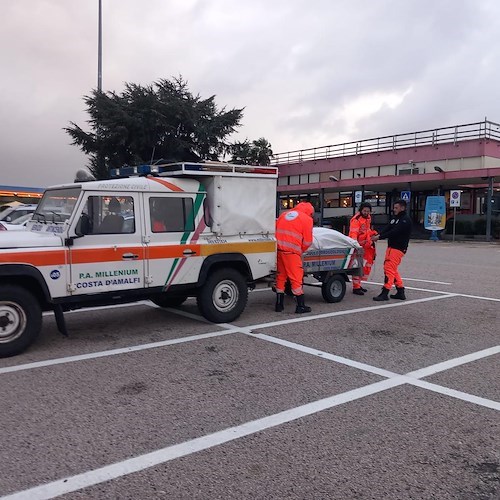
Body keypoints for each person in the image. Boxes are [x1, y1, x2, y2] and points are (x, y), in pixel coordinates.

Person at [275, 201, 314, 313]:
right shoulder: (307, 219)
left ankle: (279, 304)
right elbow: (307, 241)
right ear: (309, 212)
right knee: (296, 279)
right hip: (292, 253)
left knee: (281, 276)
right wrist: (300, 250)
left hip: (279, 250)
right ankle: (300, 306)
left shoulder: (284, 215)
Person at [371, 199, 412, 301]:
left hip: (397, 248)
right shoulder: (395, 218)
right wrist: (378, 234)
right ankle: (400, 291)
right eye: (394, 208)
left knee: (388, 269)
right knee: (392, 269)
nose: (394, 209)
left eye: (396, 208)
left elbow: (394, 232)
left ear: (402, 208)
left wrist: (379, 237)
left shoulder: (405, 220)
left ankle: (385, 292)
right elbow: (388, 228)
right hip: (392, 248)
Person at [348, 202, 378, 295]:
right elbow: (353, 234)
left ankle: (358, 285)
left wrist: (373, 234)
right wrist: (356, 246)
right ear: (360, 210)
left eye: (368, 211)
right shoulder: (356, 220)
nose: (366, 213)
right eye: (364, 211)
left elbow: (367, 230)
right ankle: (356, 287)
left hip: (367, 246)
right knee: (358, 266)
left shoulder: (368, 218)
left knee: (364, 266)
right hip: (359, 247)